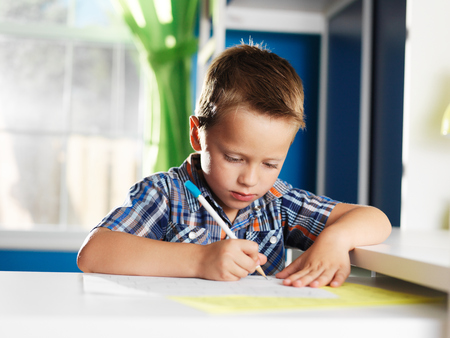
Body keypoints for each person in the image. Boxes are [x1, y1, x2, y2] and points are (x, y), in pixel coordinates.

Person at [77, 43, 391, 288]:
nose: (250, 180)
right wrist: (200, 261)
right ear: (197, 136)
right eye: (234, 158)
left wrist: (335, 240)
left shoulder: (278, 202)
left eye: (271, 163)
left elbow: (375, 219)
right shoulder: (165, 194)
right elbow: (94, 253)